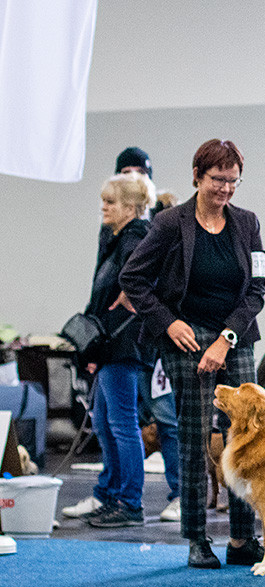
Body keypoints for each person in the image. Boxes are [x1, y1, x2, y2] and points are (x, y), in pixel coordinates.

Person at [120, 139, 265, 569]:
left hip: (234, 335)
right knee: (193, 435)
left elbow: (257, 289)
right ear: (198, 177)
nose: (225, 189)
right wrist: (167, 322)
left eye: (233, 181)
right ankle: (196, 538)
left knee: (244, 436)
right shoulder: (169, 224)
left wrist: (226, 339)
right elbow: (134, 278)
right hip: (185, 338)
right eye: (217, 180)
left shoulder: (248, 224)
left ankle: (242, 538)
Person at [69, 172, 155, 528]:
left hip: (124, 345)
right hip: (108, 345)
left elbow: (138, 291)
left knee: (122, 424)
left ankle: (130, 502)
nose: (103, 207)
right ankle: (113, 494)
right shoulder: (116, 239)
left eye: (110, 202)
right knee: (105, 422)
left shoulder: (137, 240)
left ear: (131, 207)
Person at [116, 146, 182, 522]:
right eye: (125, 173)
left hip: (158, 339)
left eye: (138, 173)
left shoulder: (161, 224)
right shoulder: (122, 232)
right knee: (142, 419)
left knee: (167, 418)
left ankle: (181, 492)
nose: (132, 179)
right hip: (135, 342)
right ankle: (123, 493)